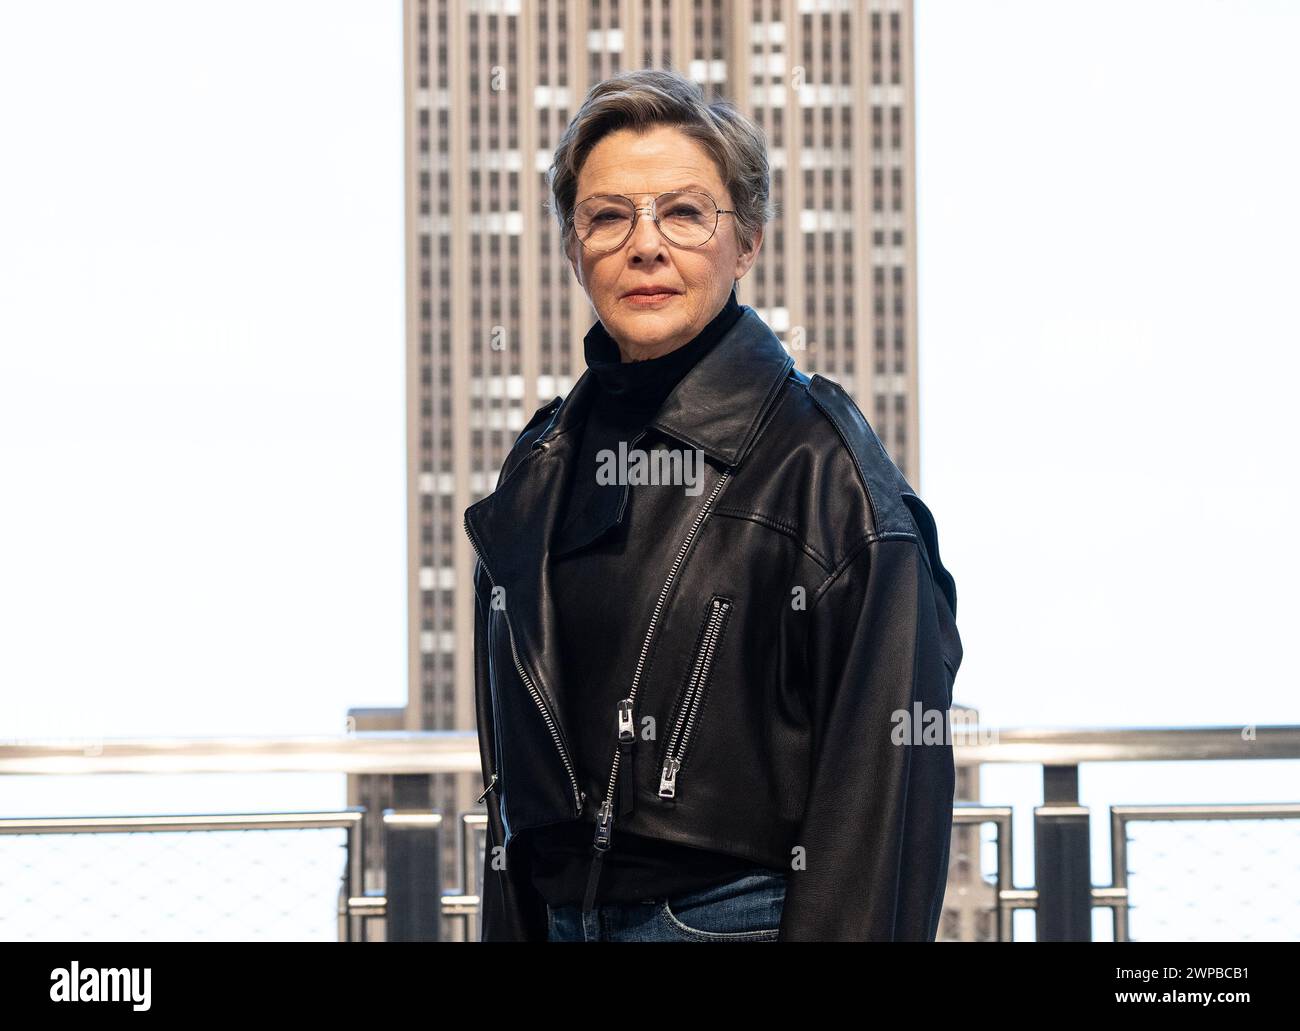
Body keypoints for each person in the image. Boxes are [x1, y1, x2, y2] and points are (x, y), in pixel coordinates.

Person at [467, 68, 963, 942]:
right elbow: (518, 789)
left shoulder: (824, 469)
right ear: (574, 246)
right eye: (608, 215)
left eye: (686, 212)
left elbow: (883, 807)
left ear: (749, 240)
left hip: (733, 921)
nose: (644, 245)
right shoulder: (538, 466)